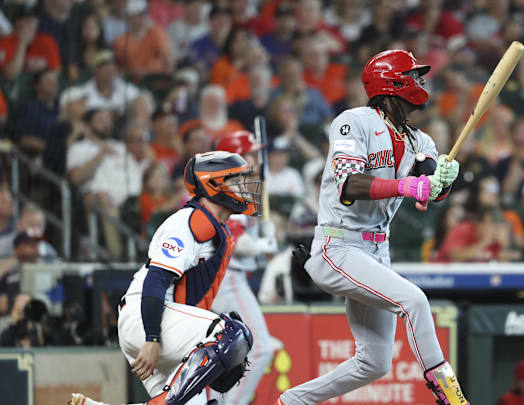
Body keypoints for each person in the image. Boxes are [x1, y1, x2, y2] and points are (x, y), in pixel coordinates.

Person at [277, 50, 468, 405]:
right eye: (413, 75)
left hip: (377, 250)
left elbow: (428, 193)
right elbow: (348, 182)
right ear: (392, 82)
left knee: (374, 363)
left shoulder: (419, 141)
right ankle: (451, 396)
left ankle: (293, 401)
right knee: (415, 301)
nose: (421, 82)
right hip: (338, 246)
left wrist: (442, 182)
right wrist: (407, 186)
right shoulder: (355, 121)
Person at [70, 151, 258, 405]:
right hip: (147, 318)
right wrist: (152, 338)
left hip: (159, 322)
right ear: (213, 183)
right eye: (235, 180)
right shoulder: (190, 221)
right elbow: (157, 279)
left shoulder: (213, 225)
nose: (243, 188)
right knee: (229, 333)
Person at [209, 132, 278, 405]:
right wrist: (265, 244)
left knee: (226, 353)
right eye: (250, 154)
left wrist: (266, 232)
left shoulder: (240, 189)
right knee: (260, 348)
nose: (256, 159)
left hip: (224, 280)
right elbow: (240, 244)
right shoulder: (229, 190)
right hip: (227, 280)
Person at [61, 50, 139, 115]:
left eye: (112, 65)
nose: (109, 69)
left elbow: (142, 100)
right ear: (95, 70)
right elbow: (65, 99)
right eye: (104, 65)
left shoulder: (126, 89)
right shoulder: (81, 92)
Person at [112, 0, 172, 80]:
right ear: (130, 18)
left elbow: (169, 60)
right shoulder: (121, 41)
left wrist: (168, 80)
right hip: (133, 83)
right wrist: (132, 73)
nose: (143, 17)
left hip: (158, 80)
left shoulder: (156, 32)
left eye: (145, 13)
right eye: (139, 15)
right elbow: (119, 69)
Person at [0, 5, 61, 81]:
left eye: (34, 21)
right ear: (17, 23)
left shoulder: (47, 41)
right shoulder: (5, 42)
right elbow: (10, 75)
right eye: (28, 21)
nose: (32, 25)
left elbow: (56, 71)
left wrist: (43, 71)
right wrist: (22, 44)